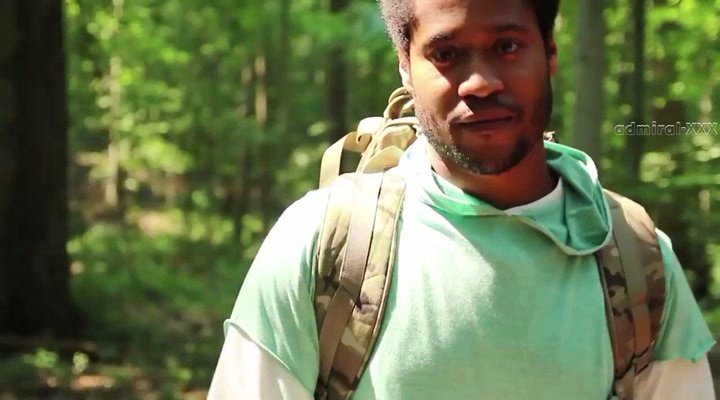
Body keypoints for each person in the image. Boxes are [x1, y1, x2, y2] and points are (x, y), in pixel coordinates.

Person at [208, 0, 716, 398]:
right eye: (446, 54)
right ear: (405, 67)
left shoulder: (635, 257)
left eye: (508, 46)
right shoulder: (322, 244)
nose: (481, 83)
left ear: (550, 52)